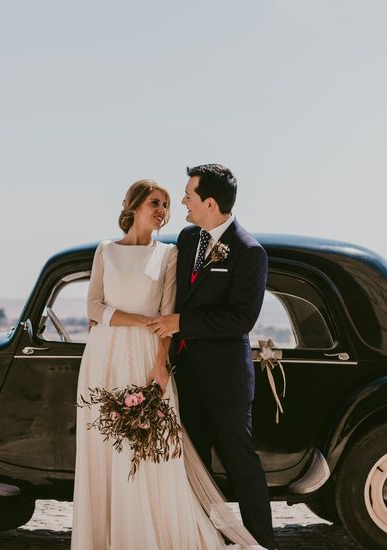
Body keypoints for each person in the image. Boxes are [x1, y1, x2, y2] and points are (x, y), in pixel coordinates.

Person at [72, 179, 264, 550]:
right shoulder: (108, 250)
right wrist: (139, 321)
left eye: (169, 204)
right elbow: (92, 307)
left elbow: (171, 312)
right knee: (105, 451)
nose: (165, 209)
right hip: (103, 360)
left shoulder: (173, 252)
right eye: (155, 203)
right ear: (132, 206)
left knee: (156, 455)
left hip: (150, 357)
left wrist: (160, 362)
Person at [148, 164, 276, 550]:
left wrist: (181, 323)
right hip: (185, 375)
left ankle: (263, 544)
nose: (183, 201)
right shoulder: (188, 238)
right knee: (195, 465)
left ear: (210, 202)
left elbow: (241, 318)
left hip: (225, 381)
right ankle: (203, 541)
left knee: (241, 465)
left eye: (188, 195)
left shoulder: (249, 252)